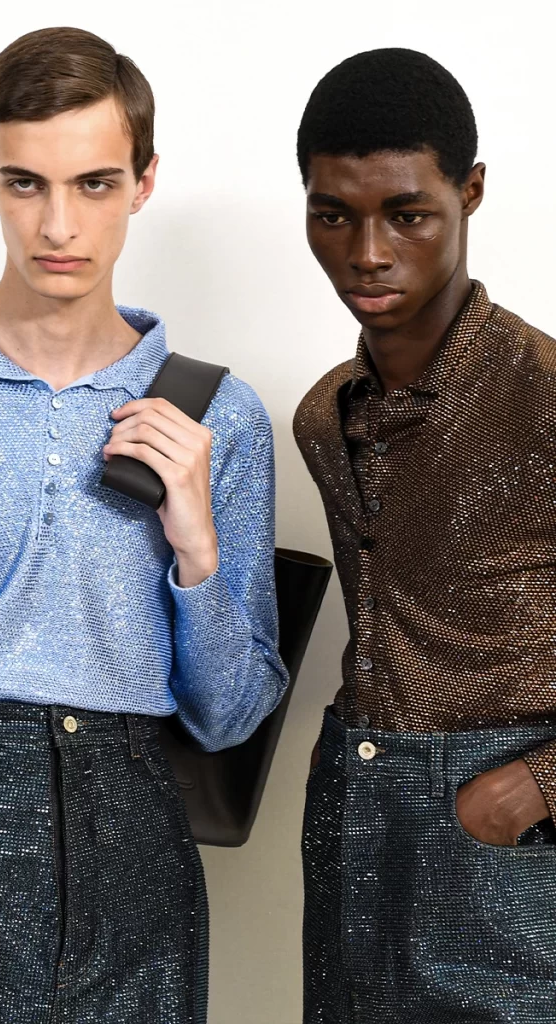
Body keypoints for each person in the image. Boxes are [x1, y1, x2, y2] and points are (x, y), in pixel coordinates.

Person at [0, 26, 287, 1024]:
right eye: (27, 183)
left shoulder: (217, 417)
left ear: (144, 182)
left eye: (95, 184)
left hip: (136, 847)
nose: (59, 224)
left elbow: (229, 717)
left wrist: (196, 548)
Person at [293, 47, 556, 1024]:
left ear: (468, 192)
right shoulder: (323, 417)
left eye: (406, 214)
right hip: (352, 819)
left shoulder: (543, 398)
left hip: (511, 850)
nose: (366, 253)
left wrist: (533, 787)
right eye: (333, 215)